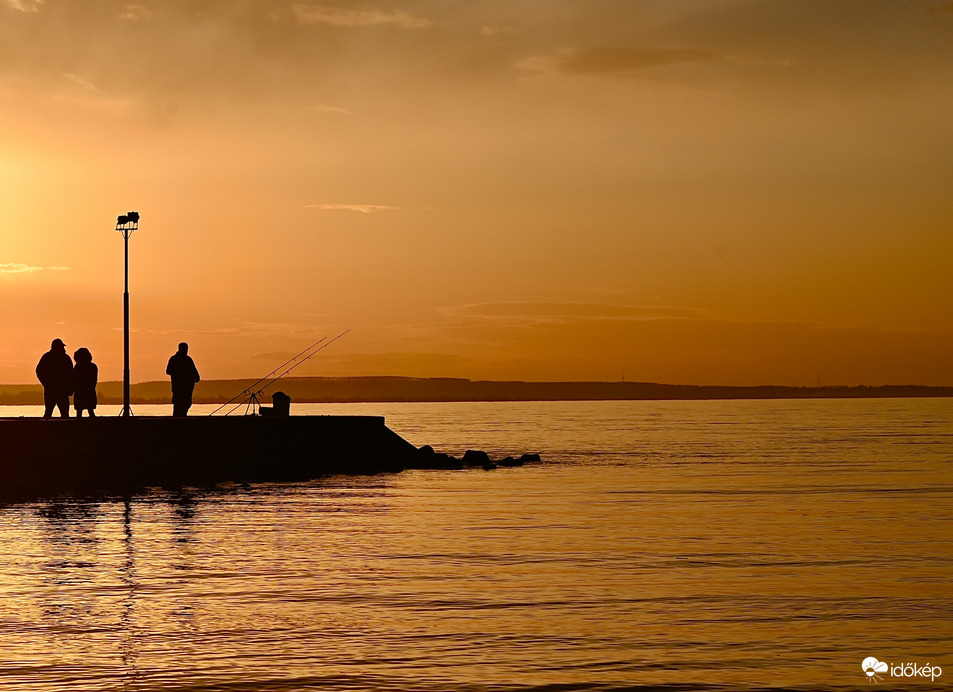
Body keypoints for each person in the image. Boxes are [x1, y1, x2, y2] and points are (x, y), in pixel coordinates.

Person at [36, 338, 74, 418]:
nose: (63, 348)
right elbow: (71, 374)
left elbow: (71, 374)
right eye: (61, 346)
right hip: (56, 389)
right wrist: (46, 383)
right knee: (52, 412)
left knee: (60, 413)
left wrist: (45, 383)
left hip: (59, 390)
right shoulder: (64, 358)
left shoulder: (48, 357)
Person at [166, 342, 200, 417]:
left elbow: (195, 372)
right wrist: (181, 373)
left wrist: (196, 378)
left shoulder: (188, 359)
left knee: (186, 404)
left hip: (187, 388)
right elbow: (168, 371)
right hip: (178, 388)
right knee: (178, 406)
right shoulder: (174, 359)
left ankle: (181, 420)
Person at [72, 348, 98, 418]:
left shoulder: (77, 367)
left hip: (80, 392)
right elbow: (93, 381)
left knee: (79, 413)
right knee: (90, 411)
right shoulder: (93, 367)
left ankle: (78, 427)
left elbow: (74, 380)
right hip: (89, 392)